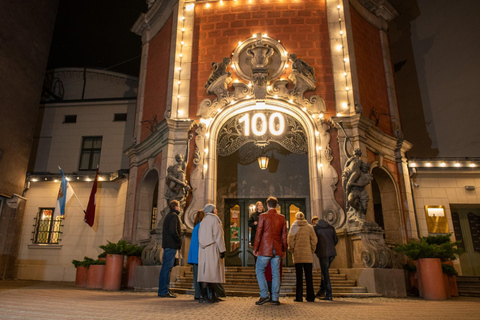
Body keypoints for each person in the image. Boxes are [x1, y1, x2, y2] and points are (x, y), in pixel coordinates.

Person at [253, 196, 287, 306]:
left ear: (267, 205)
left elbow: (259, 233)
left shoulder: (262, 216)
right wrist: (284, 249)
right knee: (276, 273)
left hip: (265, 249)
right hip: (277, 249)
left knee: (259, 270)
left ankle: (264, 295)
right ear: (276, 205)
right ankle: (275, 298)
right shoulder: (282, 218)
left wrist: (256, 248)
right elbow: (284, 236)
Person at [198, 204, 226, 303]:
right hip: (213, 248)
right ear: (212, 210)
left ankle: (205, 295)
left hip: (203, 250)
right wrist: (222, 249)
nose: (216, 210)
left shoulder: (203, 221)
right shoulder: (215, 220)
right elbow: (218, 236)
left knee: (206, 273)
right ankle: (209, 296)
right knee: (213, 273)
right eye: (215, 208)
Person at [288, 212, 318, 302]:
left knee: (299, 277)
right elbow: (314, 240)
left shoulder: (294, 227)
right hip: (308, 255)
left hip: (298, 255)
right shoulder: (309, 227)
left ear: (296, 218)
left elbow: (290, 240)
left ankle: (299, 297)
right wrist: (311, 250)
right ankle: (310, 296)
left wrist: (292, 250)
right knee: (309, 277)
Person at [158, 200, 182, 298]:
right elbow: (173, 230)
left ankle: (163, 290)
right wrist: (179, 240)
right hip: (171, 245)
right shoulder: (173, 216)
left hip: (168, 245)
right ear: (176, 207)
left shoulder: (169, 215)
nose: (179, 208)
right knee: (167, 268)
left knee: (166, 268)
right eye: (179, 206)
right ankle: (163, 291)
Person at [314, 218, 338, 301]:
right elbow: (336, 240)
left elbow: (314, 241)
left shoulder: (316, 228)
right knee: (324, 272)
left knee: (325, 274)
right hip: (332, 253)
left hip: (323, 253)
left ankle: (329, 294)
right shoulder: (331, 228)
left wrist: (316, 250)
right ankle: (321, 291)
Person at [187, 210, 205, 301]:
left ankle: (197, 294)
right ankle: (200, 294)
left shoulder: (196, 227)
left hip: (194, 255)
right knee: (200, 276)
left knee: (196, 276)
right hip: (199, 254)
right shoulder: (202, 226)